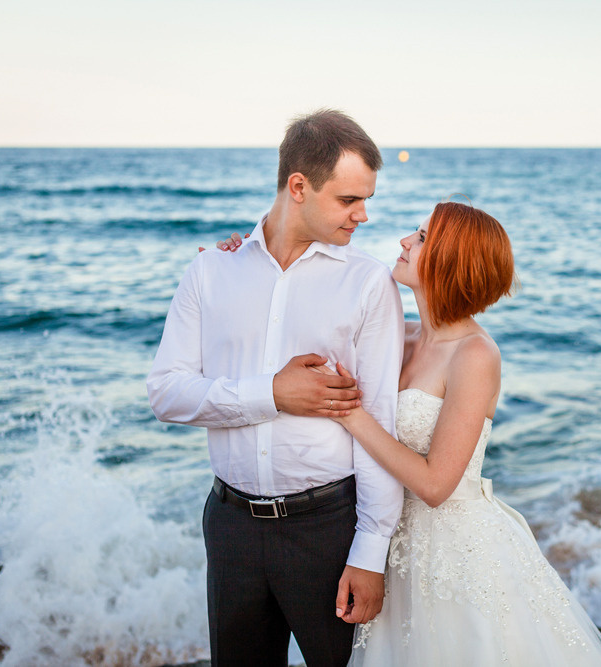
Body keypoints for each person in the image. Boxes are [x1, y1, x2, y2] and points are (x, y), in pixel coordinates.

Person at [216, 201, 601, 665]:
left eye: (423, 237)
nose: (404, 241)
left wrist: (353, 418)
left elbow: (435, 485)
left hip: (451, 552)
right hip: (387, 538)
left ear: (452, 260)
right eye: (415, 232)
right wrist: (254, 256)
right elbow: (295, 326)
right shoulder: (401, 335)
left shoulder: (474, 355)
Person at [147, 109, 405, 667]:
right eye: (348, 200)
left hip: (329, 530)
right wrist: (272, 394)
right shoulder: (211, 272)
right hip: (231, 527)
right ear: (298, 186)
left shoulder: (367, 283)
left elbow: (379, 420)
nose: (362, 215)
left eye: (367, 200)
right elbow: (166, 393)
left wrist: (371, 552)